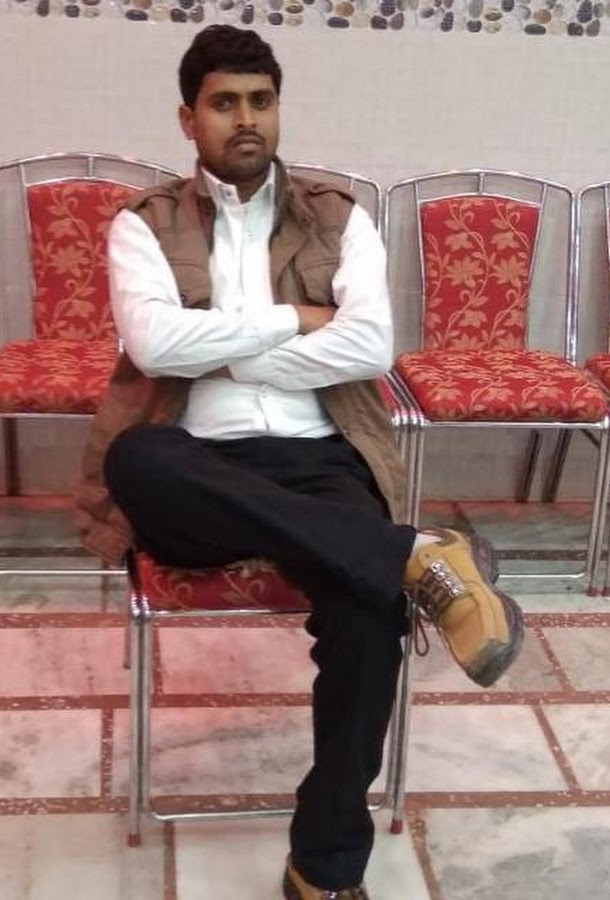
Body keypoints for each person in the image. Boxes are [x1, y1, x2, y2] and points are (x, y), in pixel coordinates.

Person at [76, 24, 523, 900]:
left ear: (278, 108)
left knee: (369, 615)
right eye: (224, 103)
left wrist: (231, 355)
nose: (246, 118)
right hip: (198, 466)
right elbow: (156, 344)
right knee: (138, 458)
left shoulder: (340, 217)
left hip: (319, 457)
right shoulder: (144, 224)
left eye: (261, 100)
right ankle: (413, 555)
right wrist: (293, 319)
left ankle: (323, 867)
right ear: (188, 118)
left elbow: (369, 346)